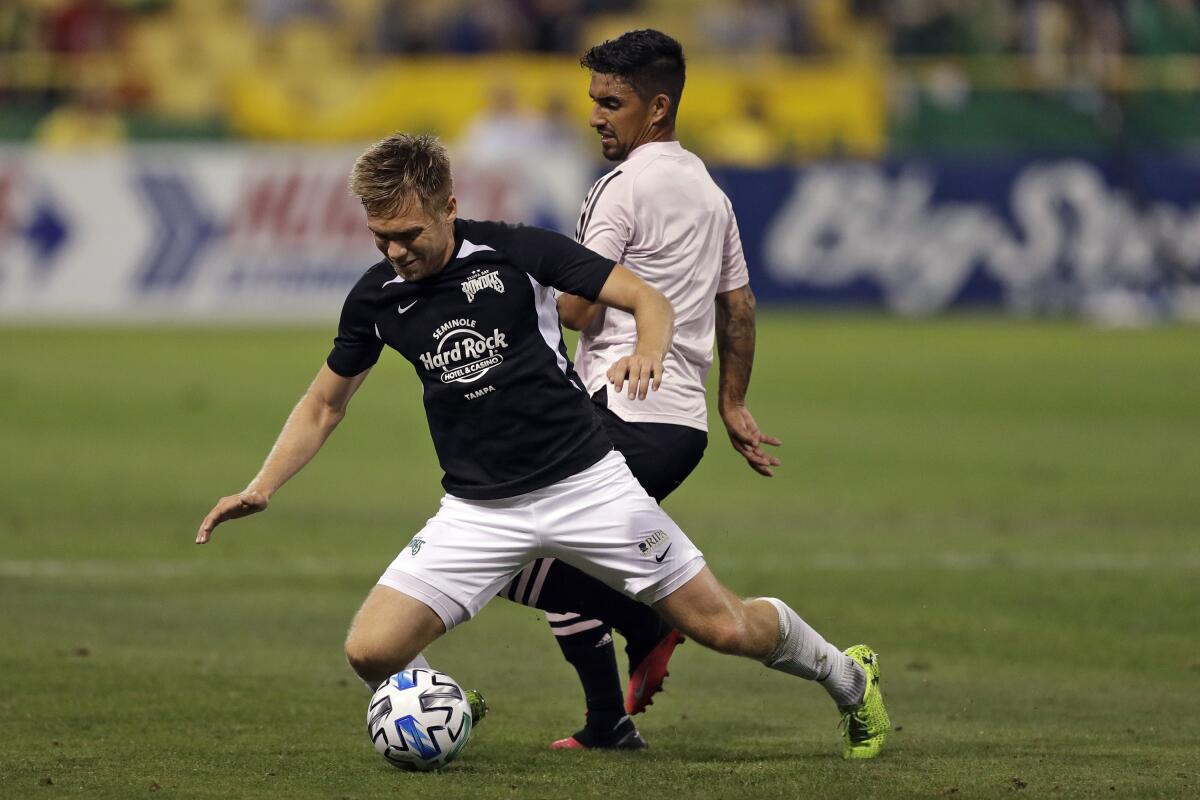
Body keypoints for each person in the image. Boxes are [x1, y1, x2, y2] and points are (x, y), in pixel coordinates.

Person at [195, 132, 890, 761]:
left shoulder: (516, 251)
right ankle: (450, 708)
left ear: (448, 207)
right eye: (379, 238)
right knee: (370, 650)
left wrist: (649, 350)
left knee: (726, 628)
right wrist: (262, 485)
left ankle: (849, 676)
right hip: (476, 511)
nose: (394, 252)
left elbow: (648, 298)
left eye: (406, 234)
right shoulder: (378, 297)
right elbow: (325, 403)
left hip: (587, 486)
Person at [506, 28, 789, 751]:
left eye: (612, 102)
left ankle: (649, 623)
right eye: (594, 100)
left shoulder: (621, 189)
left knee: (508, 552)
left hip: (625, 410)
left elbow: (579, 308)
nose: (597, 115)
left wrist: (523, 292)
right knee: (546, 548)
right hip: (681, 427)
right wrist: (730, 401)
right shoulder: (709, 191)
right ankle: (607, 723)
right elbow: (741, 305)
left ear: (656, 109)